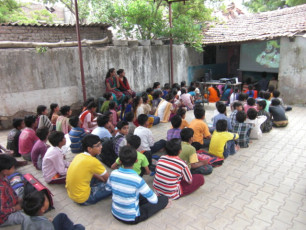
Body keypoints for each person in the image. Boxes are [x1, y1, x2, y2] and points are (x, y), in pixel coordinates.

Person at [106, 146, 168, 224]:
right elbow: (154, 200)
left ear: (120, 161)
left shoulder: (113, 173)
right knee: (163, 199)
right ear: (136, 161)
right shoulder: (137, 179)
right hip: (132, 218)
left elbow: (108, 188)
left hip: (115, 212)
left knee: (140, 195)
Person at [66, 134, 112, 205]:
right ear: (89, 149)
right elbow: (108, 179)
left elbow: (92, 173)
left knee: (98, 177)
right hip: (84, 199)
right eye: (98, 145)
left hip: (72, 195)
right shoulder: (93, 161)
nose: (101, 147)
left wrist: (102, 179)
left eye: (100, 144)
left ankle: (96, 185)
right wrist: (104, 180)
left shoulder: (79, 156)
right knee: (113, 186)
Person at [0, 155, 24, 228]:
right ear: (5, 171)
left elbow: (11, 191)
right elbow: (1, 212)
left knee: (23, 191)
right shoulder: (1, 188)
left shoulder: (3, 177)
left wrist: (18, 199)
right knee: (28, 216)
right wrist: (15, 208)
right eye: (13, 168)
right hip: (5, 218)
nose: (14, 170)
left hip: (11, 203)